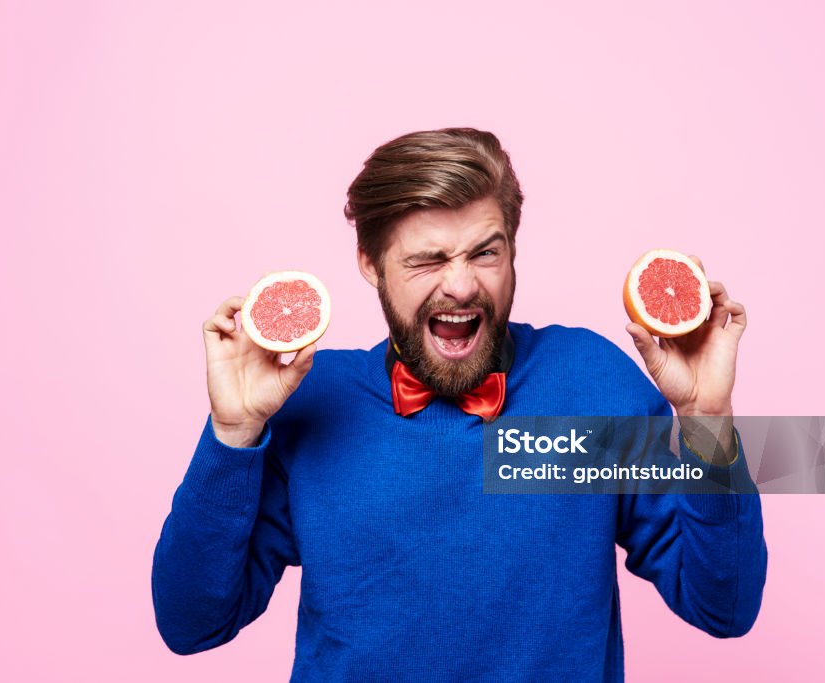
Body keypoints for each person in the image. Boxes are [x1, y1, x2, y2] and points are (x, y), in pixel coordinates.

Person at [151, 127, 768, 682]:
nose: (462, 284)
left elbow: (724, 607)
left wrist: (706, 419)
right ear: (370, 264)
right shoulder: (311, 399)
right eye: (428, 259)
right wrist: (232, 434)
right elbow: (192, 624)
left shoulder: (591, 383)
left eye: (485, 252)